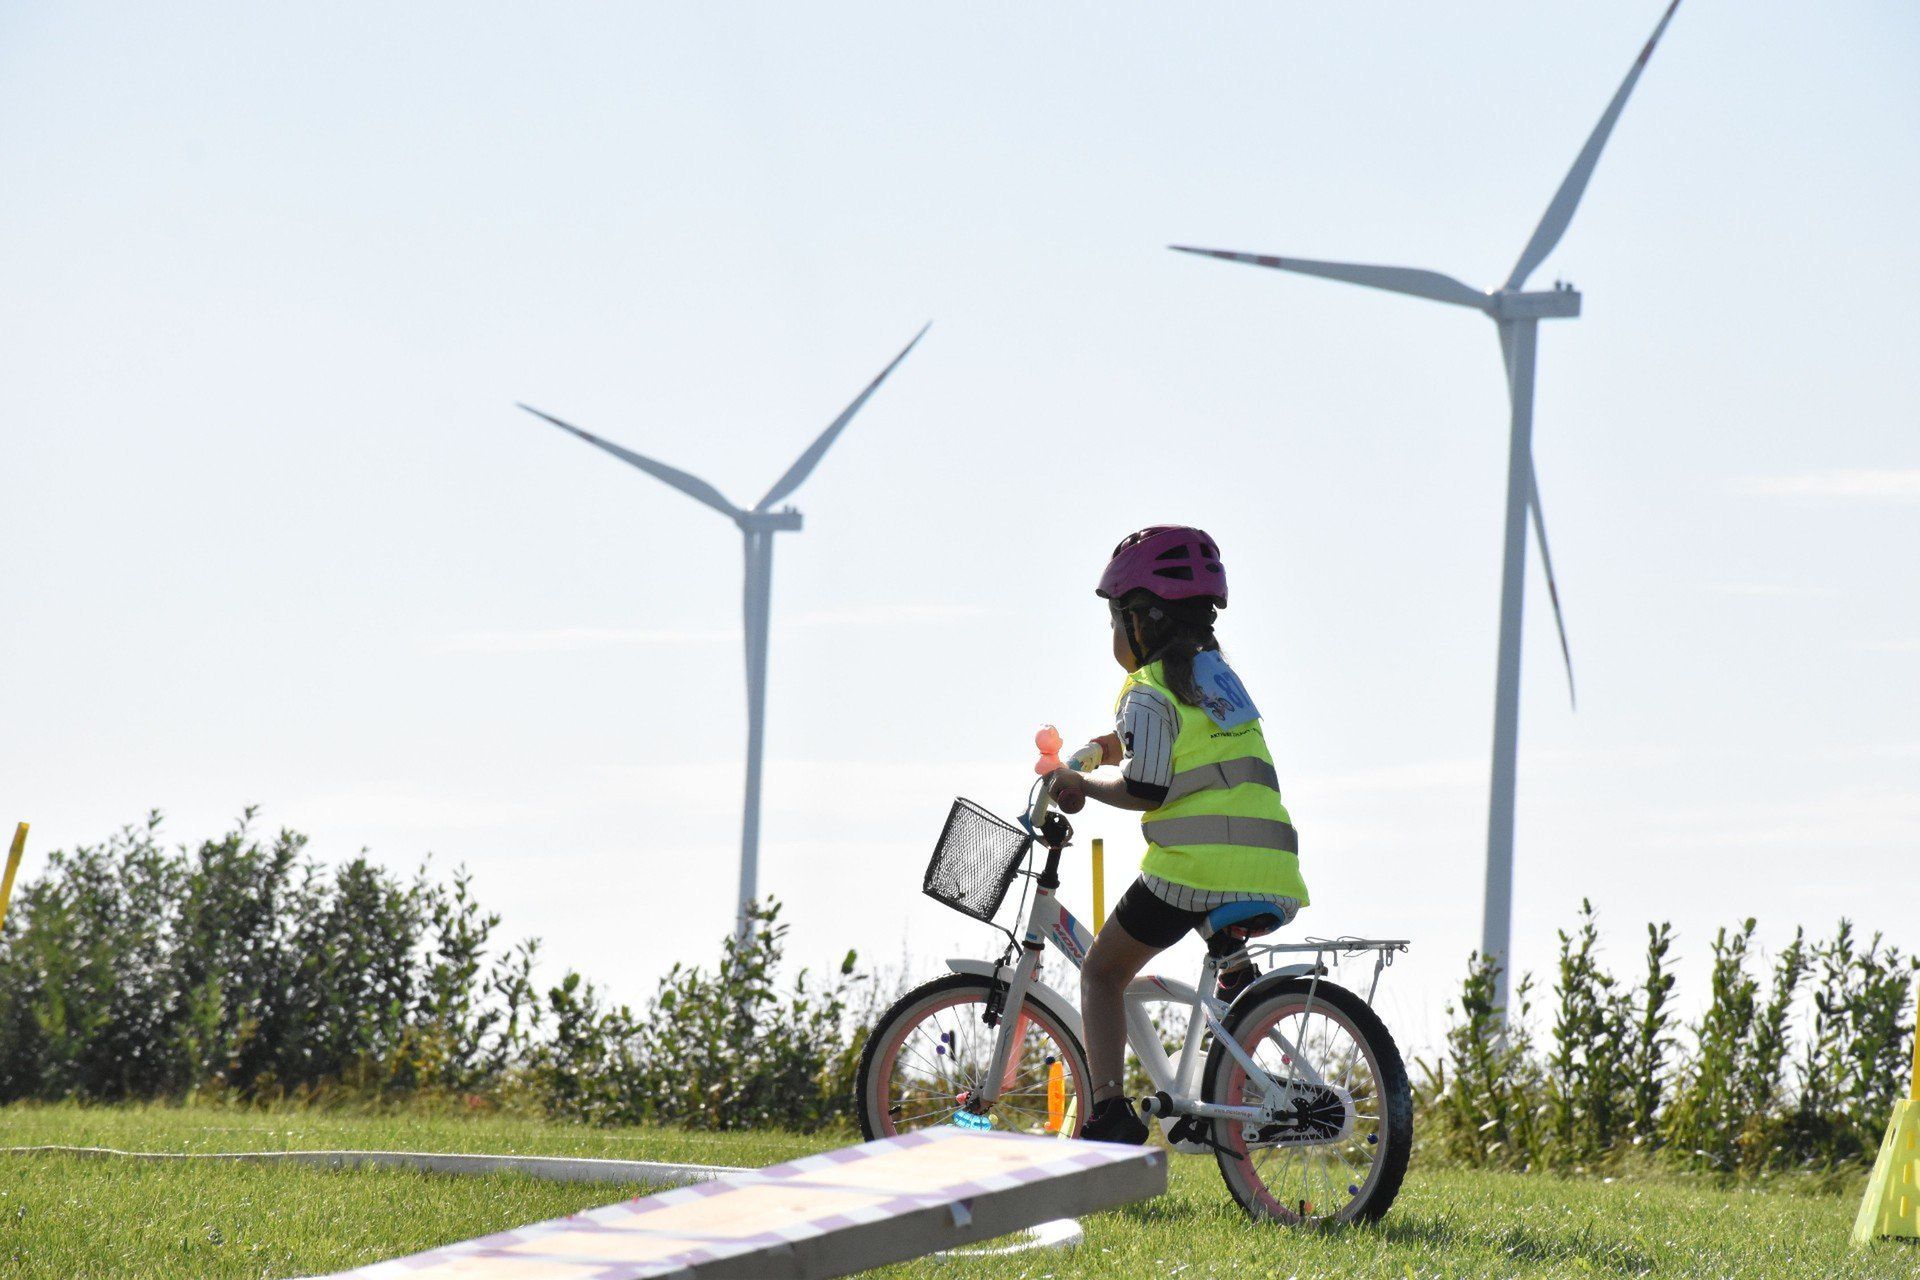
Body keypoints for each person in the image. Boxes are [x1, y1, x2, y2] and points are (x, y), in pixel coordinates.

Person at [1046, 526, 1310, 1144]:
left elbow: (1147, 788)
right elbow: (1186, 744)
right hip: (1270, 862)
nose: (1113, 635)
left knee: (1102, 973)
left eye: (1116, 619)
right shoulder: (1219, 679)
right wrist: (1105, 747)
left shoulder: (1146, 688)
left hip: (1196, 866)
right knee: (1223, 977)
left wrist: (1082, 787)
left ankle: (1109, 1114)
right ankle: (1222, 1084)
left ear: (1143, 621)